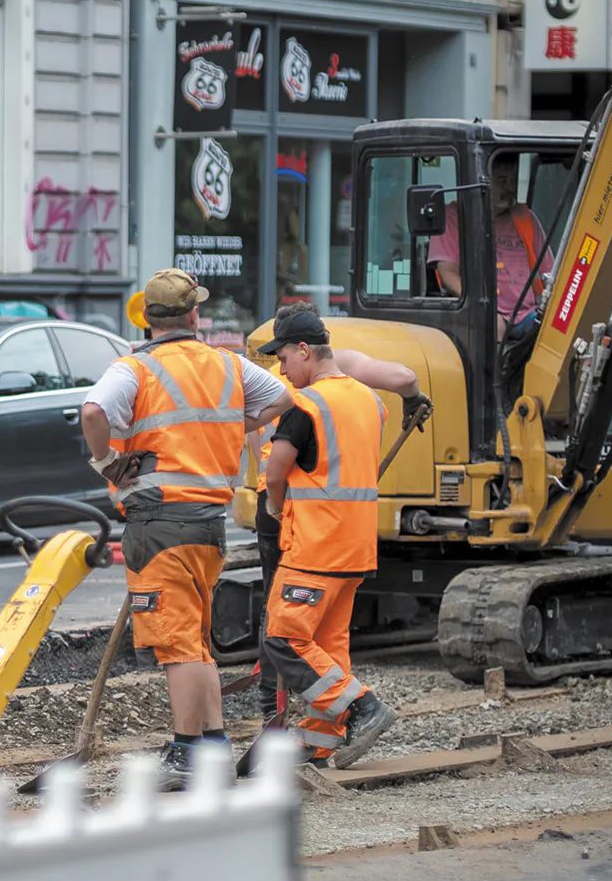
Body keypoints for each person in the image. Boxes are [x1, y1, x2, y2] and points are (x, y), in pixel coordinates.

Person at [79, 268, 291, 789]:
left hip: (159, 521)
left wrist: (106, 462)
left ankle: (187, 751)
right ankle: (214, 746)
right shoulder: (228, 365)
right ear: (194, 314)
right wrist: (228, 427)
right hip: (207, 524)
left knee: (176, 646)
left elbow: (91, 412)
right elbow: (283, 399)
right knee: (194, 642)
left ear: (147, 317)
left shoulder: (134, 369)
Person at [251, 302, 431, 726]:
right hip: (353, 540)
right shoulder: (365, 395)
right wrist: (414, 397)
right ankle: (321, 739)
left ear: (302, 348)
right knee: (329, 640)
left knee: (282, 631)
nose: (281, 365)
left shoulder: (304, 398)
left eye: (283, 356)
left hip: (305, 530)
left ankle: (354, 707)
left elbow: (275, 467)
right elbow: (404, 379)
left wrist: (275, 506)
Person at [428, 155, 546, 332]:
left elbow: (549, 272)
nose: (510, 187)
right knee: (493, 329)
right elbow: (448, 273)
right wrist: (485, 312)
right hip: (479, 312)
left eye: (513, 180)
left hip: (527, 314)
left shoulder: (526, 218)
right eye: (502, 180)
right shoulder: (454, 217)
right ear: (481, 181)